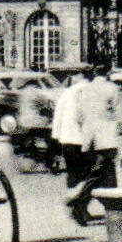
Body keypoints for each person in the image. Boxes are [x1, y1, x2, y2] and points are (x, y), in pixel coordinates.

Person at [71, 58, 122, 225]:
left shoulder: (84, 90)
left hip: (90, 138)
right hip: (107, 138)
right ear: (108, 72)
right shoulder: (113, 89)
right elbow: (120, 115)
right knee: (101, 174)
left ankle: (113, 210)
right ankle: (80, 204)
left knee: (103, 174)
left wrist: (86, 130)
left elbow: (78, 116)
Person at [52, 64, 92, 197]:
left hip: (68, 138)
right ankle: (79, 203)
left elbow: (58, 115)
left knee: (72, 172)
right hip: (86, 139)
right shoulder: (93, 90)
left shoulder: (68, 92)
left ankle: (71, 198)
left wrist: (56, 136)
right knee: (86, 174)